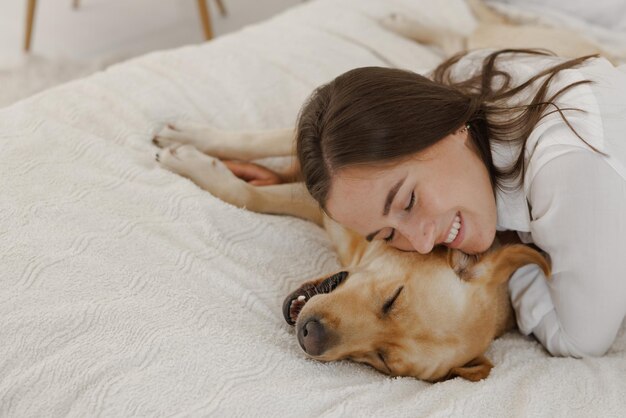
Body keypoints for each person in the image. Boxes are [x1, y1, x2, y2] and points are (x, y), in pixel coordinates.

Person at [227, 48, 626, 358]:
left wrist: (508, 262)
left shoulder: (574, 171)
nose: (420, 243)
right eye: (386, 234)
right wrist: (289, 177)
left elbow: (579, 341)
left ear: (449, 130)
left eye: (409, 200)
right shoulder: (462, 80)